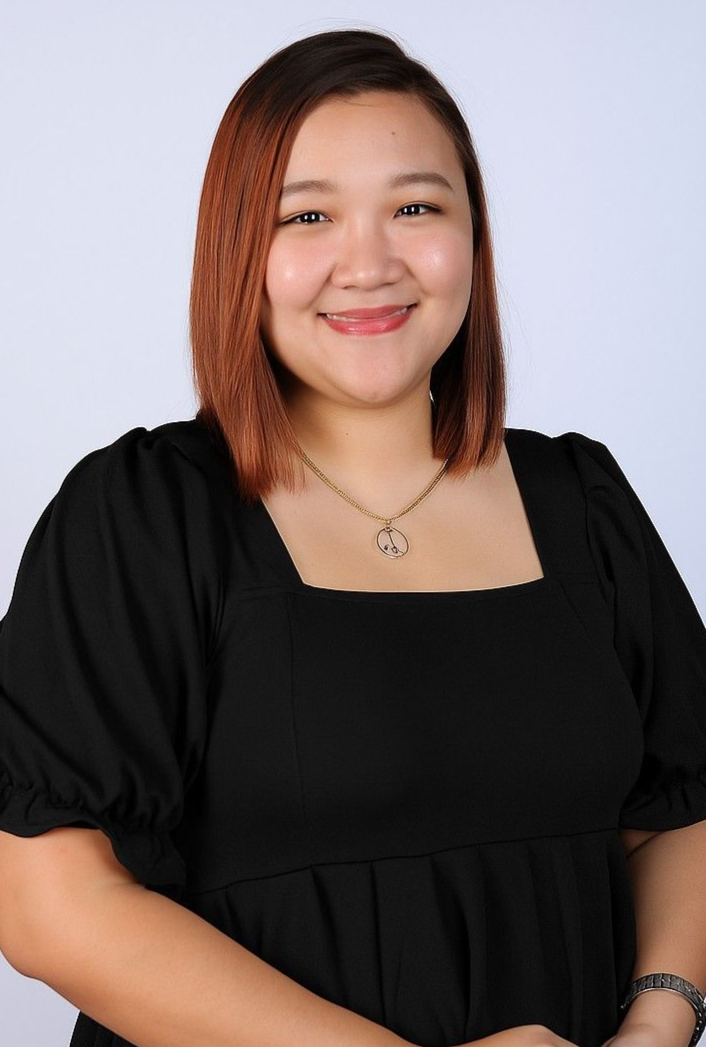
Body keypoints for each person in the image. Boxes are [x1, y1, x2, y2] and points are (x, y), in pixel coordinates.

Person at [0, 26, 705, 1047]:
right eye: (309, 216)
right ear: (242, 249)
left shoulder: (582, 499)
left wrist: (658, 1021)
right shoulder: (143, 518)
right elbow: (50, 910)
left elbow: (676, 811)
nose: (367, 264)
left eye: (416, 207)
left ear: (473, 237)